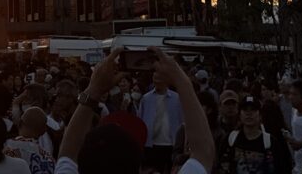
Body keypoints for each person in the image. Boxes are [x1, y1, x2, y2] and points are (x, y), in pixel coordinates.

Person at [55, 47, 215, 174]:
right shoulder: (147, 98)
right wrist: (181, 80)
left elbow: (67, 151)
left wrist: (94, 89)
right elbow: (203, 151)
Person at [224, 95, 292, 173]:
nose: (249, 114)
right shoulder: (231, 139)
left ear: (260, 115)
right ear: (240, 115)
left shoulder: (270, 142)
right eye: (245, 110)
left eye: (253, 110)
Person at [140, 64, 184, 172]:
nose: (157, 82)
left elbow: (182, 119)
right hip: (151, 144)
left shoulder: (176, 98)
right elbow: (140, 119)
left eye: (160, 79)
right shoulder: (146, 98)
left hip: (171, 144)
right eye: (155, 79)